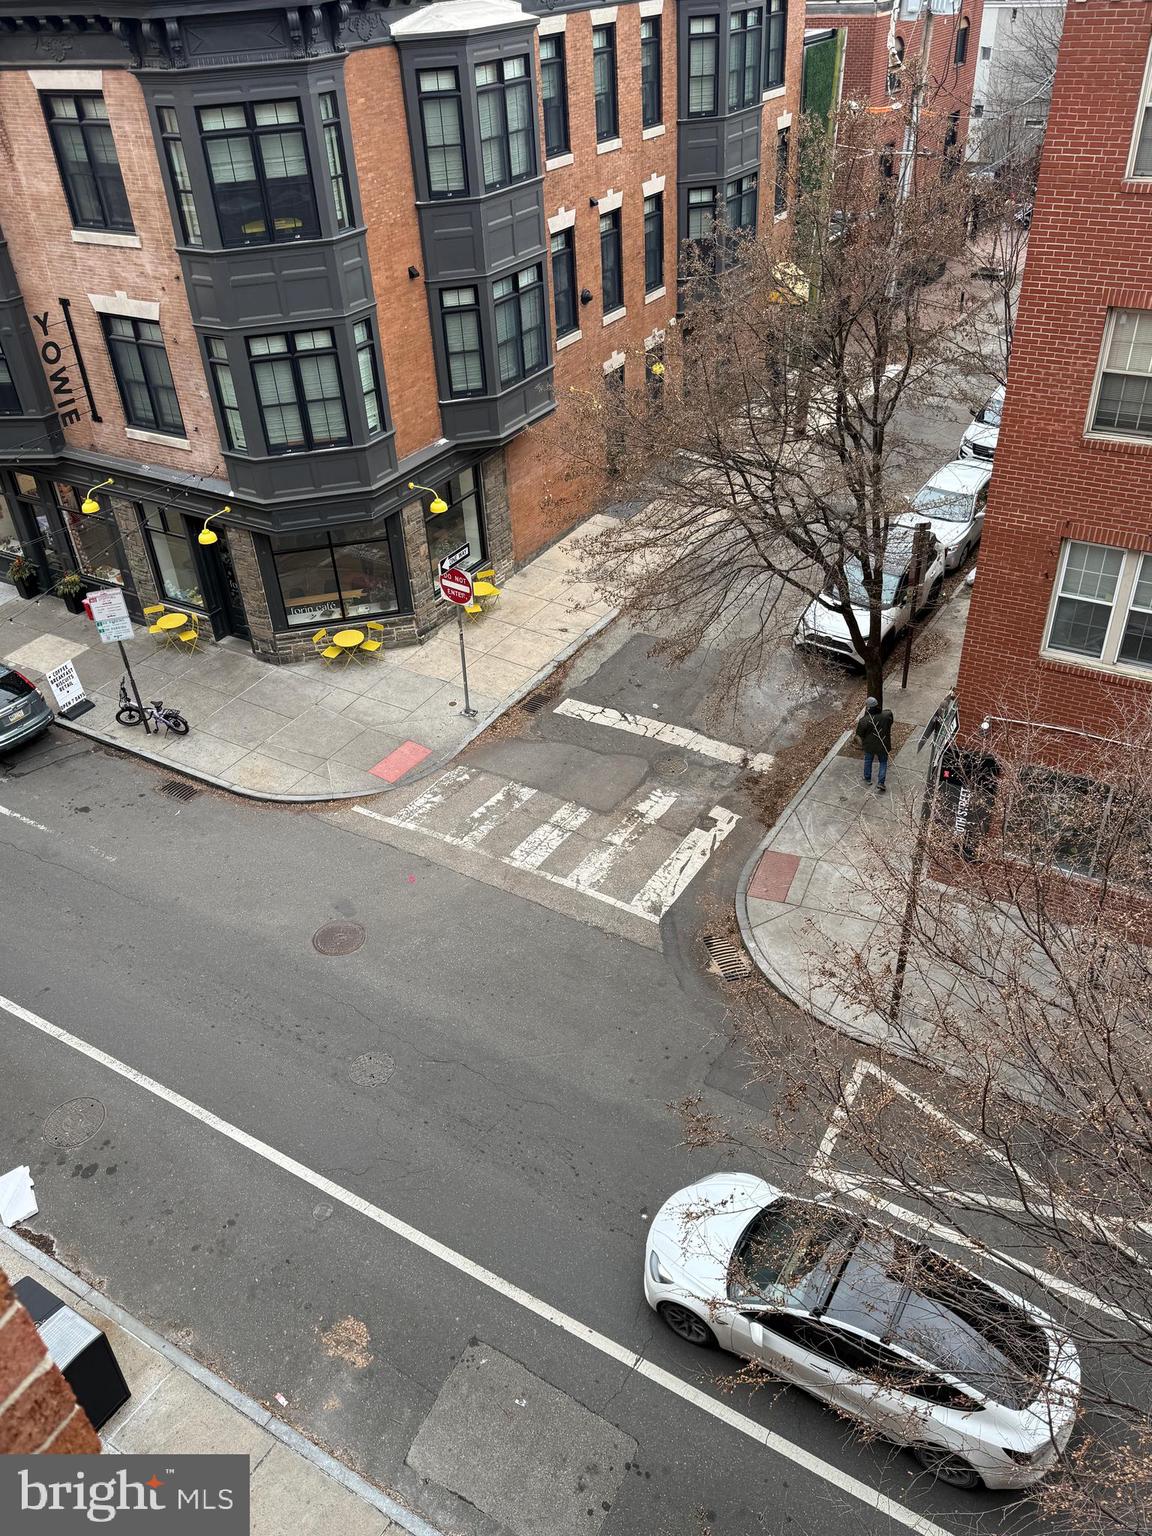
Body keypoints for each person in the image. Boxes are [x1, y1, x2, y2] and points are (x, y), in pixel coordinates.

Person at [856, 695, 894, 793]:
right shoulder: (887, 715)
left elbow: (859, 735)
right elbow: (890, 720)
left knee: (868, 761)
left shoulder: (864, 721)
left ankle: (868, 778)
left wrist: (861, 745)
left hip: (869, 745)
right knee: (883, 762)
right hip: (883, 744)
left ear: (868, 707)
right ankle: (881, 782)